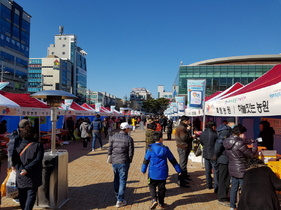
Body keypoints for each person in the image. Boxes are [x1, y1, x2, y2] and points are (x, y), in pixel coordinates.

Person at [141, 132, 182, 209]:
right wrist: (178, 170)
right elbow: (173, 160)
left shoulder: (150, 149)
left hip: (152, 173)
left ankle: (154, 199)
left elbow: (145, 160)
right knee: (162, 189)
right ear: (160, 139)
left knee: (151, 185)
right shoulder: (165, 149)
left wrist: (143, 169)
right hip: (162, 173)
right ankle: (161, 203)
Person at [223, 124, 257, 210]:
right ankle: (245, 206)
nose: (244, 135)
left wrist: (248, 141)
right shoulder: (239, 142)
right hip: (241, 168)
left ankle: (232, 206)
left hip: (232, 167)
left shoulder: (227, 141)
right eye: (244, 133)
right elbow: (250, 155)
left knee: (234, 188)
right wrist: (254, 148)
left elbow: (238, 143)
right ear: (240, 133)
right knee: (244, 188)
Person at [12, 125, 44, 210]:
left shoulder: (17, 144)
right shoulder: (38, 145)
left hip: (21, 174)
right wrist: (27, 169)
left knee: (22, 193)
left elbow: (14, 160)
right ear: (33, 134)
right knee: (31, 194)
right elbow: (38, 159)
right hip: (33, 174)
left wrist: (21, 168)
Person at [108, 122, 134, 208]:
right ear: (126, 129)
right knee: (122, 180)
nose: (129, 129)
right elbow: (131, 152)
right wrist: (129, 160)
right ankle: (120, 200)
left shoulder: (113, 137)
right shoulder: (129, 139)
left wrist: (110, 157)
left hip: (115, 161)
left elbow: (110, 149)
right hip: (124, 161)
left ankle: (117, 193)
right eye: (128, 128)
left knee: (116, 177)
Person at [213, 118, 235, 207]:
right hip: (224, 159)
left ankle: (223, 196)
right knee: (224, 179)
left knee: (224, 178)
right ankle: (222, 197)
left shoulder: (224, 131)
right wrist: (216, 155)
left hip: (223, 158)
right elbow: (219, 144)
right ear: (231, 123)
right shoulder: (225, 132)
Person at [200, 121, 219, 192]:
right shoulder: (215, 135)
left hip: (205, 153)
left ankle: (208, 184)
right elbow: (217, 145)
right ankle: (216, 186)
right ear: (213, 127)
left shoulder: (203, 134)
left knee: (207, 170)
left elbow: (201, 142)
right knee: (215, 171)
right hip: (213, 154)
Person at [175, 115, 193, 188]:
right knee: (182, 164)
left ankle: (184, 177)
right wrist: (191, 136)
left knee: (184, 163)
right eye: (188, 121)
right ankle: (181, 180)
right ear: (184, 121)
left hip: (183, 146)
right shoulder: (182, 128)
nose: (189, 122)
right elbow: (184, 138)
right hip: (183, 147)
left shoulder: (181, 127)